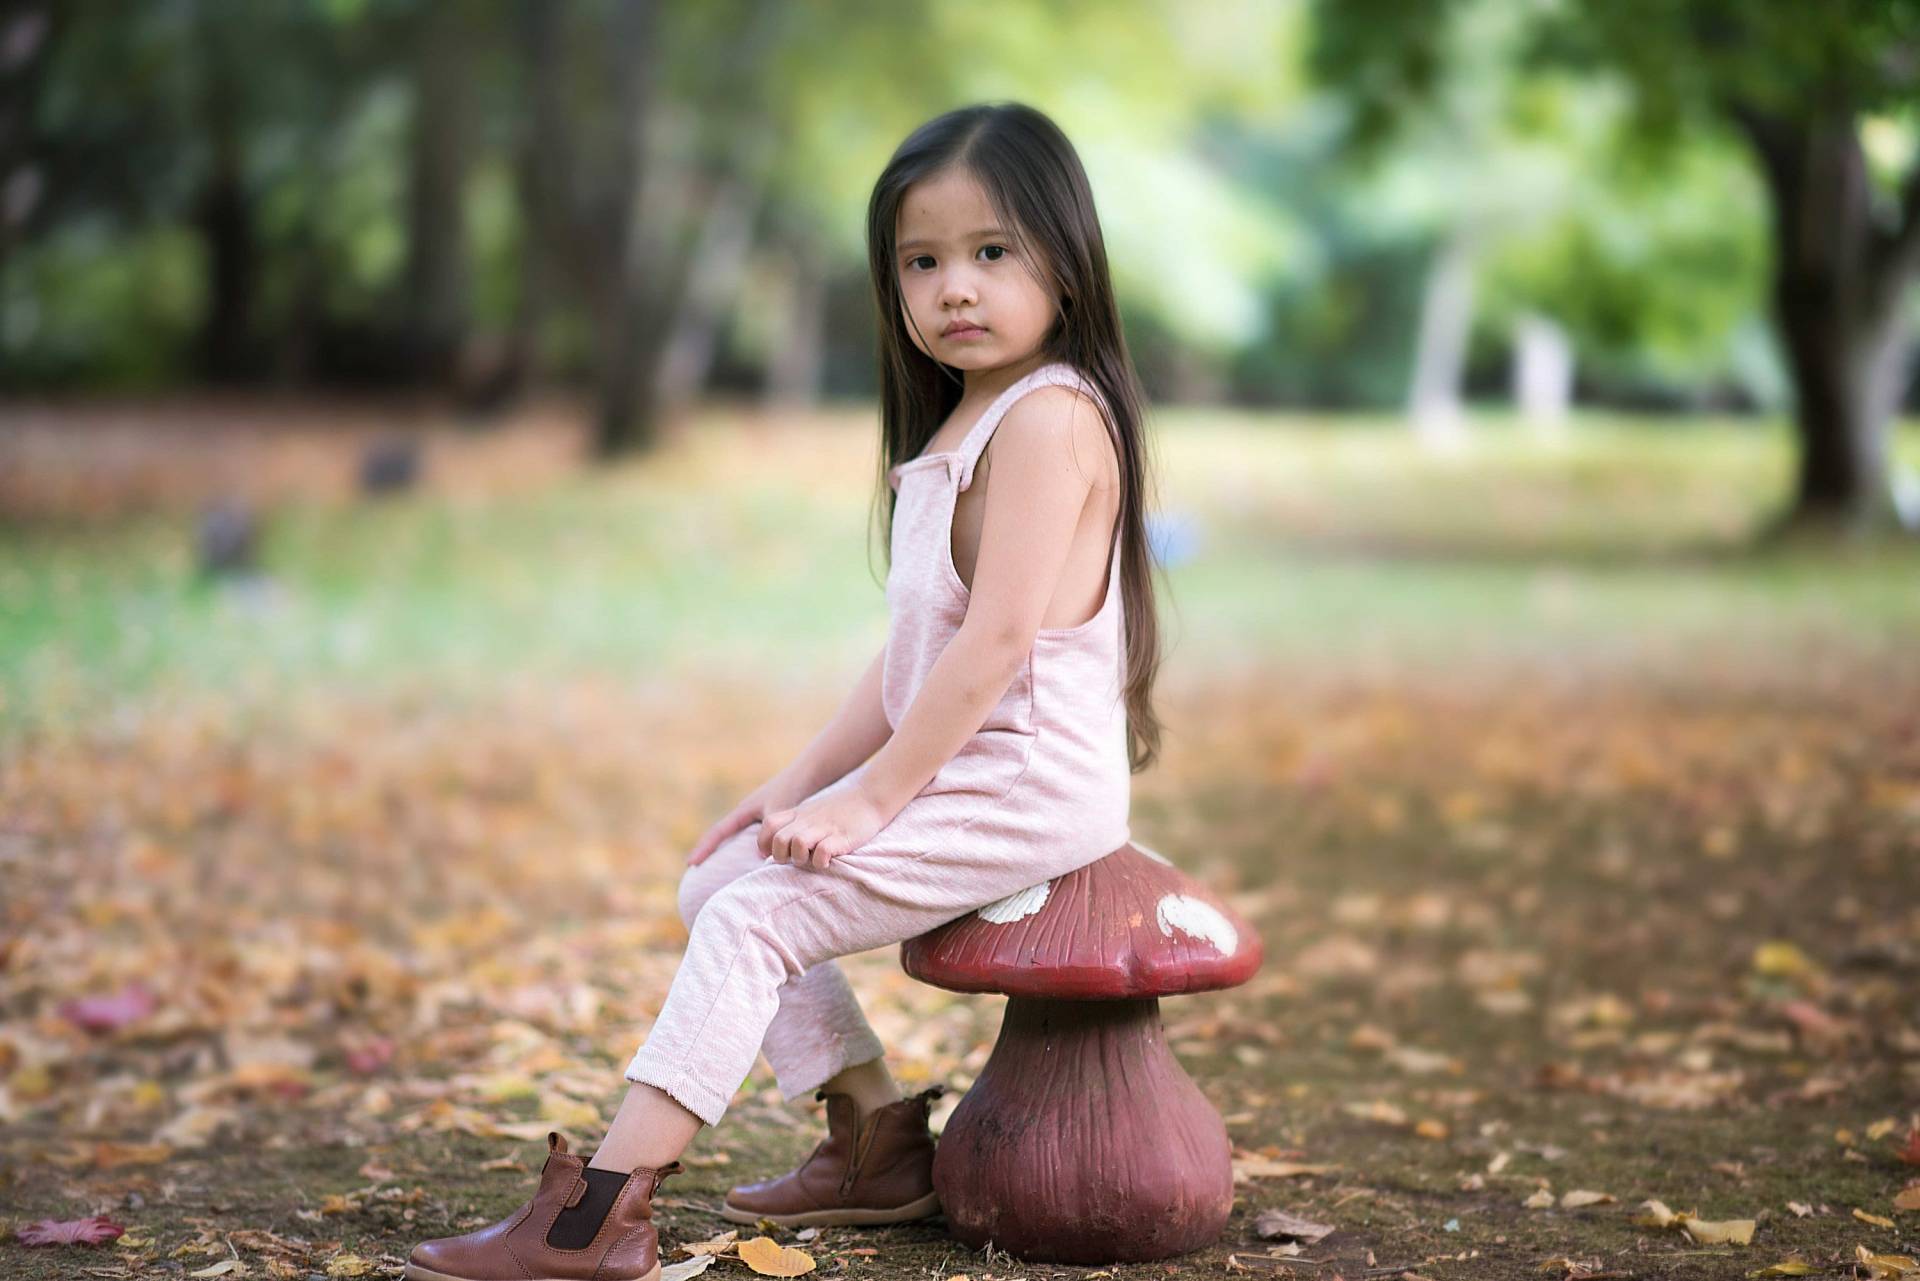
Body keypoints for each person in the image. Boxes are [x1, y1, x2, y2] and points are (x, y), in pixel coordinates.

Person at [406, 100, 1166, 1281]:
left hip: (1022, 785)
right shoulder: (968, 418)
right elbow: (915, 649)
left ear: (1066, 263)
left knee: (757, 918)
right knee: (722, 877)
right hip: (965, 762)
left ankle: (594, 1222)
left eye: (991, 252)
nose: (954, 287)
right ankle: (874, 1141)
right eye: (922, 262)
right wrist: (800, 782)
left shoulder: (1053, 419)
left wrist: (870, 803)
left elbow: (999, 643)